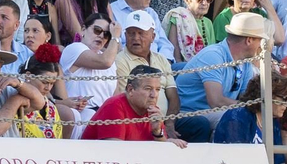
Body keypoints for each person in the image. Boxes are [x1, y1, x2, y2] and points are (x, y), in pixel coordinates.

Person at [173, 10, 266, 142]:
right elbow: (216, 101)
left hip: (212, 112)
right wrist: (250, 108)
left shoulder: (245, 63)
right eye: (260, 40)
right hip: (190, 115)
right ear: (249, 40)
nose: (260, 45)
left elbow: (245, 99)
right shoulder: (213, 55)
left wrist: (254, 109)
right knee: (235, 118)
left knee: (256, 117)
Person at [89, 64, 183, 143]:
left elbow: (161, 151)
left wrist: (158, 133)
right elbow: (115, 151)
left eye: (157, 89)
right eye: (148, 89)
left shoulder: (153, 111)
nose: (154, 95)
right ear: (130, 90)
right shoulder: (114, 106)